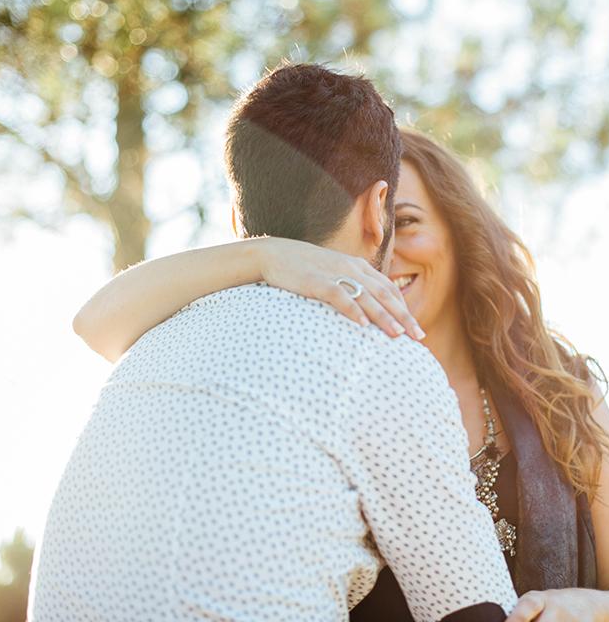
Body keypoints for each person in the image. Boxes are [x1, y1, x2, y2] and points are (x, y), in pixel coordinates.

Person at [73, 129, 609, 621]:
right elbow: (97, 324)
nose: (384, 247)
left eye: (406, 222)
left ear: (460, 232)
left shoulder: (563, 392)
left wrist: (583, 608)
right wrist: (260, 255)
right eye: (373, 225)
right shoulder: (308, 364)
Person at [28, 64, 519, 622]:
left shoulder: (155, 333)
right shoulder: (381, 354)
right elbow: (473, 611)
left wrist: (258, 257)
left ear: (238, 219)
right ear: (375, 208)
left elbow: (94, 323)